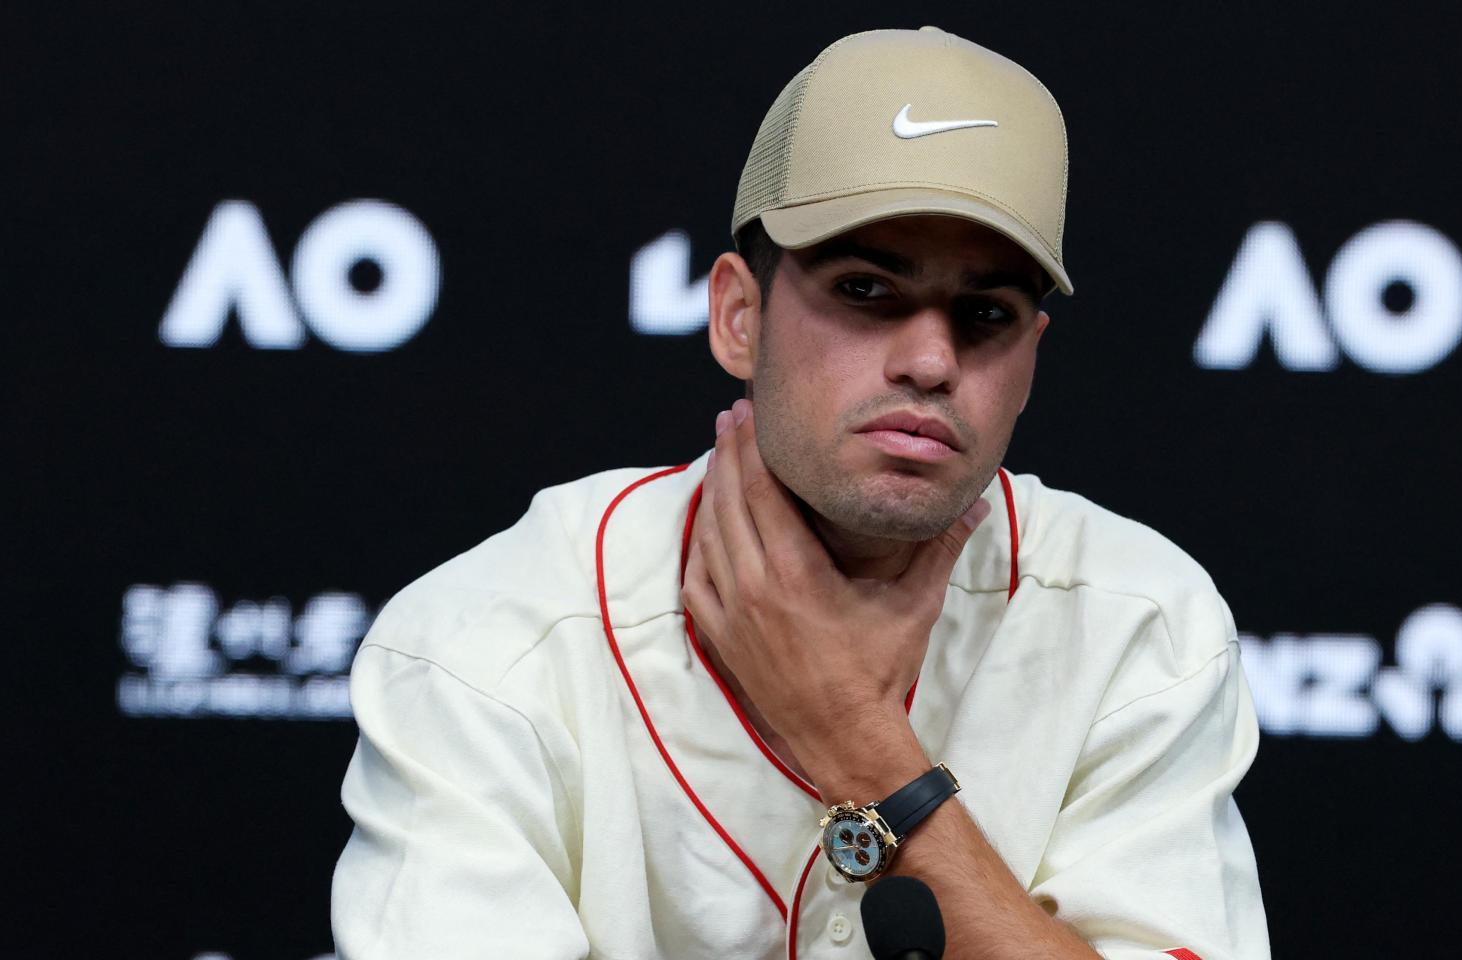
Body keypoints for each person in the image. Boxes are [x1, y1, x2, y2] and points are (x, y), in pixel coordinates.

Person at [331, 26, 1269, 960]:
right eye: (867, 289)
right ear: (740, 316)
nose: (933, 361)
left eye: (987, 314)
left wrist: (855, 740)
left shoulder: (1140, 622)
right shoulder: (484, 644)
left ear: (1032, 358)